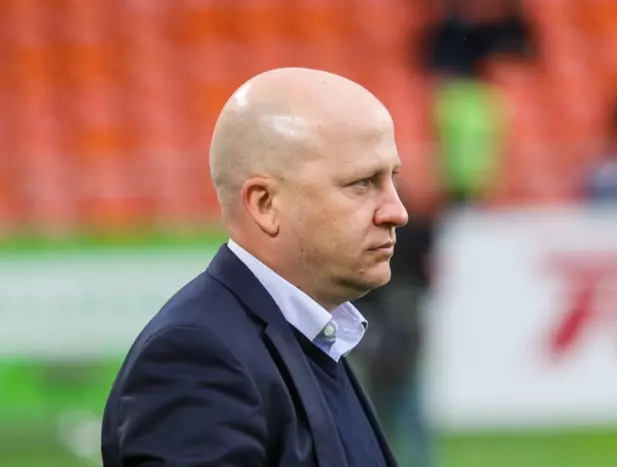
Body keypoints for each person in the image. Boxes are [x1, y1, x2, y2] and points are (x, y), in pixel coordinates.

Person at [101, 67, 409, 467]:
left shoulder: (314, 340)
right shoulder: (197, 358)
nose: (396, 211)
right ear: (265, 205)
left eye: (392, 179)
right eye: (362, 183)